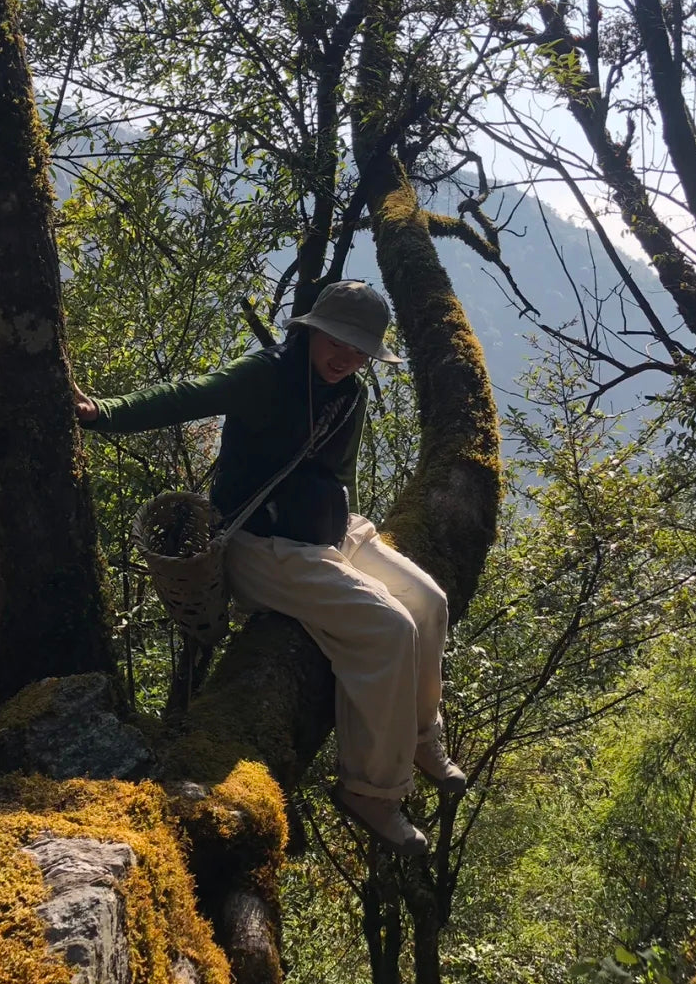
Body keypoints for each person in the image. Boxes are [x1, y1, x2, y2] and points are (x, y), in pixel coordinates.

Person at [74, 280, 465, 856]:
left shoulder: (349, 395)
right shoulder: (266, 375)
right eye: (337, 341)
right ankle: (373, 792)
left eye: (359, 351)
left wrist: (334, 530)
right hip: (263, 546)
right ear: (311, 330)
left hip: (329, 533)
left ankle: (421, 732)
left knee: (429, 603)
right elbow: (188, 394)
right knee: (389, 629)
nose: (345, 358)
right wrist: (103, 412)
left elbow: (333, 474)